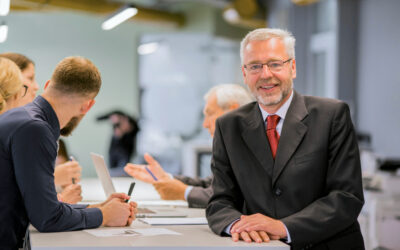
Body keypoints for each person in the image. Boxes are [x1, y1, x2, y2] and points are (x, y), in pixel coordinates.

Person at [205, 28, 365, 250]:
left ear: (293, 67)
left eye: (275, 64)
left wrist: (282, 227)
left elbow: (347, 197)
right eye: (255, 66)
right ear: (244, 73)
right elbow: (220, 201)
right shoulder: (228, 126)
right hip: (261, 246)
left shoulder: (331, 115)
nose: (265, 74)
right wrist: (236, 225)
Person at [0, 56, 137, 249]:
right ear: (87, 106)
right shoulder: (35, 129)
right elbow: (47, 218)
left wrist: (101, 207)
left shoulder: (24, 118)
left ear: (48, 84)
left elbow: (42, 207)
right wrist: (104, 216)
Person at [124, 84, 253, 208]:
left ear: (232, 111)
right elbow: (211, 184)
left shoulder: (253, 145)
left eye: (210, 114)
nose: (205, 124)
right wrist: (165, 178)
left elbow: (230, 197)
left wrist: (183, 192)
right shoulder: (234, 144)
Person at [96, 110, 139, 176]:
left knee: (122, 171)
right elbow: (99, 118)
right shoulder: (116, 125)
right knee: (111, 172)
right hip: (114, 150)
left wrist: (125, 128)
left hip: (125, 151)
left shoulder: (130, 123)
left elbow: (135, 129)